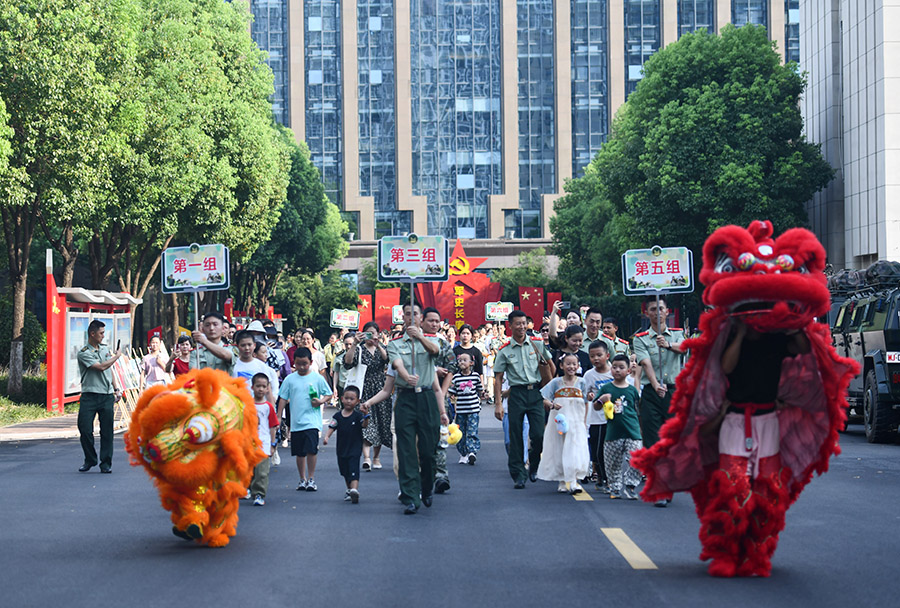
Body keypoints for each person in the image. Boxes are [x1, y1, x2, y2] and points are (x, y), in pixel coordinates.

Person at [386, 303, 447, 514]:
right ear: (402, 317)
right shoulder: (394, 343)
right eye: (408, 314)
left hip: (427, 398)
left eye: (415, 314)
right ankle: (410, 496)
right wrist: (406, 377)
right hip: (405, 399)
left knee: (429, 450)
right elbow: (397, 363)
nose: (411, 317)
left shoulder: (432, 340)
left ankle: (427, 486)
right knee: (406, 450)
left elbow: (435, 352)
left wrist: (420, 337)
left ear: (421, 318)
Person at [493, 309, 555, 489]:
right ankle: (518, 474)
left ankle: (534, 464)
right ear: (510, 325)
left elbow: (550, 365)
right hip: (517, 394)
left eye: (524, 323)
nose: (521, 327)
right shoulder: (504, 350)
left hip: (536, 394)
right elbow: (497, 378)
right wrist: (498, 404)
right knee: (515, 436)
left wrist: (550, 390)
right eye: (517, 324)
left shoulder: (537, 344)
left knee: (538, 434)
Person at [633, 297, 686, 468]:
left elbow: (685, 348)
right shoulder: (641, 339)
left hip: (674, 392)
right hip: (652, 393)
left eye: (660, 309)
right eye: (653, 309)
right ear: (647, 313)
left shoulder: (678, 334)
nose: (657, 313)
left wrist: (668, 345)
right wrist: (656, 385)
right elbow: (646, 363)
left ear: (667, 311)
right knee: (652, 438)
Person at [276, 347, 333, 492]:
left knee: (311, 451)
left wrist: (320, 402)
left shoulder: (317, 378)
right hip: (296, 423)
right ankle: (302, 478)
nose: (301, 367)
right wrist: (278, 415)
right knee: (300, 452)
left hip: (312, 422)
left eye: (305, 364)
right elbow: (282, 398)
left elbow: (328, 394)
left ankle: (311, 478)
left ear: (311, 362)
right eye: (298, 364)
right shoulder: (290, 379)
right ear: (293, 363)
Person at [537, 354, 589, 494]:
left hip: (577, 422)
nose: (571, 367)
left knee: (576, 450)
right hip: (559, 422)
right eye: (568, 364)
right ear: (561, 366)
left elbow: (586, 402)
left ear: (578, 366)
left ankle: (574, 480)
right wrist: (552, 405)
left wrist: (584, 421)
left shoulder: (582, 383)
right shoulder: (556, 383)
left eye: (574, 364)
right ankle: (562, 480)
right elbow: (542, 398)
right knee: (559, 449)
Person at [343, 322, 391, 471]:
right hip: (363, 388)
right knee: (367, 423)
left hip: (381, 389)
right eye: (368, 333)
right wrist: (354, 344)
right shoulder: (359, 349)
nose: (371, 336)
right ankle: (367, 458)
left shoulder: (381, 348)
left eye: (374, 333)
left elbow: (387, 360)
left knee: (382, 424)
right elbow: (348, 362)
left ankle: (376, 457)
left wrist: (378, 345)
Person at [76, 320, 122, 473]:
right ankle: (90, 459)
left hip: (106, 395)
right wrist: (117, 356)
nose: (103, 336)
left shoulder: (105, 349)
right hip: (89, 395)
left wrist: (116, 389)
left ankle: (106, 463)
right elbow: (101, 367)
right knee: (85, 429)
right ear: (92, 334)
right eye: (101, 333)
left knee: (107, 431)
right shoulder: (84, 353)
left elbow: (110, 371)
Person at [595, 355, 644, 500]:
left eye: (621, 367)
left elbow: (638, 410)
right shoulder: (606, 388)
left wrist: (641, 429)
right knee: (612, 463)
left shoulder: (632, 390)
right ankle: (615, 487)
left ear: (629, 370)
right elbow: (596, 407)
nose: (617, 370)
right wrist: (601, 400)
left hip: (632, 431)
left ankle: (630, 484)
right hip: (613, 432)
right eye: (614, 367)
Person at [421, 307, 457, 493]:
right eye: (430, 320)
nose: (434, 324)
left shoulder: (443, 344)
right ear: (422, 321)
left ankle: (441, 476)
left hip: (438, 397)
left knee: (440, 437)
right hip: (417, 396)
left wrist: (443, 394)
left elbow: (452, 366)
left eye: (437, 321)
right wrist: (435, 370)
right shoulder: (415, 341)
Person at [323, 385, 369, 504]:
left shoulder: (358, 415)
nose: (349, 401)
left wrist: (366, 416)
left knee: (353, 468)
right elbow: (332, 426)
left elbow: (364, 425)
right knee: (344, 470)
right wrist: (327, 437)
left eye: (352, 399)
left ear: (357, 401)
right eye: (346, 398)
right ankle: (349, 489)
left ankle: (354, 489)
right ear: (342, 399)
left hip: (355, 448)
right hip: (342, 448)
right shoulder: (338, 416)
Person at [583, 340, 613, 492]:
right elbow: (585, 395)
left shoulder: (614, 371)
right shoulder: (589, 375)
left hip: (614, 418)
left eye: (599, 355)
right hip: (596, 418)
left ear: (607, 355)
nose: (595, 359)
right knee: (597, 450)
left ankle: (610, 478)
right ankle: (601, 477)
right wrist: (589, 396)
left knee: (611, 450)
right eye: (592, 356)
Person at [448, 352, 485, 465]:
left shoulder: (475, 376)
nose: (462, 362)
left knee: (472, 431)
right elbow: (452, 392)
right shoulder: (456, 377)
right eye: (460, 360)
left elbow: (479, 389)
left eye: (464, 360)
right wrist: (450, 395)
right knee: (461, 432)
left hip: (473, 409)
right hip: (461, 410)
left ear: (471, 363)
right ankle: (463, 454)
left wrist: (483, 394)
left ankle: (472, 451)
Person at [249, 373, 279, 506]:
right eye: (258, 386)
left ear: (268, 388)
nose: (261, 389)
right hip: (248, 443)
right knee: (249, 471)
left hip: (264, 444)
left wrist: (273, 444)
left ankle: (259, 494)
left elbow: (273, 426)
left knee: (262, 472)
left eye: (264, 386)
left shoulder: (268, 407)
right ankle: (250, 489)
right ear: (252, 387)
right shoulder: (247, 405)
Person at [233, 330, 278, 403]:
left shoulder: (261, 366)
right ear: (237, 346)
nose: (247, 348)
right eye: (243, 345)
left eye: (249, 345)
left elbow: (268, 391)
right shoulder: (233, 366)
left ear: (254, 345)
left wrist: (272, 410)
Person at [331, 333, 356, 400]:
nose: (348, 346)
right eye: (346, 344)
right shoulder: (339, 355)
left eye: (351, 344)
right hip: (342, 385)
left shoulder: (359, 355)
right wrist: (334, 387)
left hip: (355, 384)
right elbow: (336, 372)